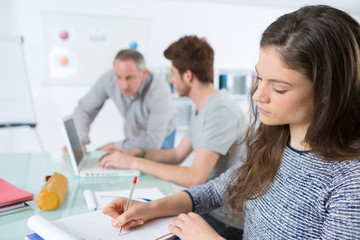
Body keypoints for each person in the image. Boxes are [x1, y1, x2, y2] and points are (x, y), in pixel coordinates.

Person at [102, 5, 360, 239]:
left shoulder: (350, 182)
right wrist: (150, 208)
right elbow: (216, 189)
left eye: (279, 88)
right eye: (259, 78)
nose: (258, 96)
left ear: (328, 91)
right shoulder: (274, 139)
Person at [100, 36, 247, 188]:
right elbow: (177, 155)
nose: (170, 80)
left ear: (188, 76)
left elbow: (194, 178)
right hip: (206, 201)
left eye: (173, 73)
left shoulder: (220, 110)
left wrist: (134, 163)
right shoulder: (205, 107)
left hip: (219, 211)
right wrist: (139, 153)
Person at [72, 49, 177, 151]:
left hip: (161, 137)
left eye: (129, 78)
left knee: (155, 167)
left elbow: (153, 143)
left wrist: (116, 147)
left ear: (143, 73)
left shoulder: (160, 91)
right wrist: (79, 139)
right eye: (118, 77)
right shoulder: (108, 79)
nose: (123, 86)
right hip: (133, 134)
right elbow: (84, 109)